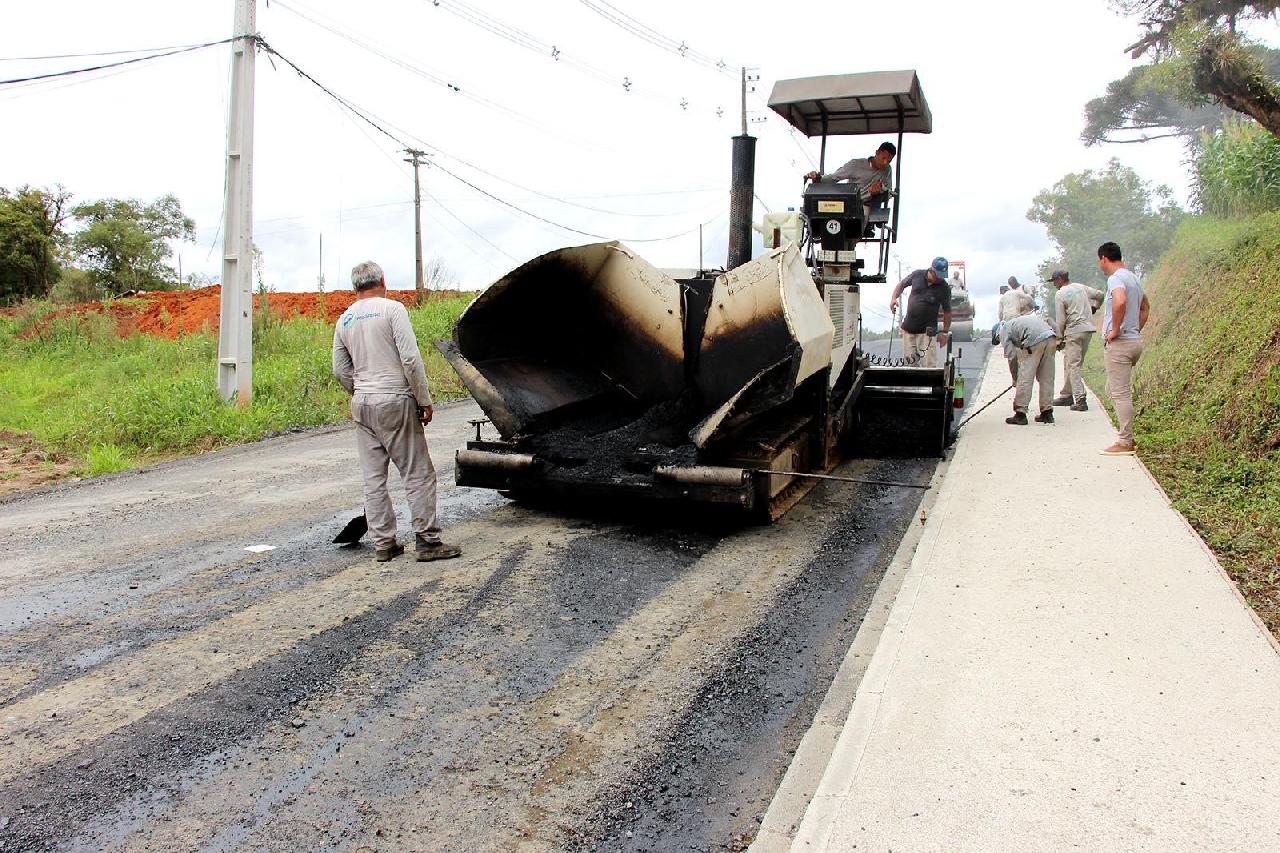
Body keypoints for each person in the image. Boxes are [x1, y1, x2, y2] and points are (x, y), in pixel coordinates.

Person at [332, 261, 462, 562]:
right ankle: (428, 542)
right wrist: (423, 399)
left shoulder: (345, 319)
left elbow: (340, 369)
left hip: (362, 403)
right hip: (394, 398)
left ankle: (384, 545)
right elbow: (411, 360)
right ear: (383, 280)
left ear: (356, 287)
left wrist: (361, 390)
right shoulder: (392, 310)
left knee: (373, 477)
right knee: (417, 471)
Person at [1097, 242, 1150, 456]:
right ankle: (1127, 436)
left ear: (1104, 259)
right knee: (1115, 390)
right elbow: (1145, 307)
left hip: (1120, 344)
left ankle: (1125, 441)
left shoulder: (1115, 278)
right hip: (1134, 341)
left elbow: (1120, 302)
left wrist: (1117, 329)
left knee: (1120, 393)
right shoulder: (1133, 277)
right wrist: (1135, 329)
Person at [806, 141, 896, 234]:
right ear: (877, 153)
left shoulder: (887, 170)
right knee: (828, 212)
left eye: (889, 161)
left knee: (860, 219)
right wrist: (818, 178)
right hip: (848, 203)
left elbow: (889, 192)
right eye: (883, 158)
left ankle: (850, 243)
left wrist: (879, 190)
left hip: (865, 205)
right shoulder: (855, 164)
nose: (885, 163)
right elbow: (834, 177)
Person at [1049, 270, 1105, 411]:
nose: (1054, 284)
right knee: (1071, 362)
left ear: (1061, 279)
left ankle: (1080, 399)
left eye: (1055, 281)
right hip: (1087, 330)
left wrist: (1059, 338)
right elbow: (1100, 295)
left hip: (1073, 331)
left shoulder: (1060, 294)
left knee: (1072, 365)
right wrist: (1095, 307)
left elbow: (1061, 319)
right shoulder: (1080, 287)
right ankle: (1066, 395)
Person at [889, 256, 951, 368]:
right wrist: (894, 298)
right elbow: (902, 284)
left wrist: (945, 333)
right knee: (909, 367)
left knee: (929, 367)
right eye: (939, 276)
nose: (941, 279)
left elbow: (947, 311)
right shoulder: (917, 275)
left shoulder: (944, 288)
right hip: (909, 330)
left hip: (927, 333)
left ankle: (929, 385)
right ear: (932, 270)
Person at [1003, 310, 1059, 425]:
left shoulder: (1003, 330)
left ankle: (1020, 413)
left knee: (1025, 377)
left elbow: (1011, 357)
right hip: (1051, 337)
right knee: (1046, 377)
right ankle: (1047, 413)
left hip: (1034, 338)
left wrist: (1015, 378)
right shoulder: (1020, 321)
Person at [997, 277, 1035, 383]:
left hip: (1008, 322)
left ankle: (1015, 377)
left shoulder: (1021, 289)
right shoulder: (1016, 293)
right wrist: (1034, 305)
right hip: (1018, 319)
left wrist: (1001, 322)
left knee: (1011, 353)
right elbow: (1029, 298)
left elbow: (1000, 314)